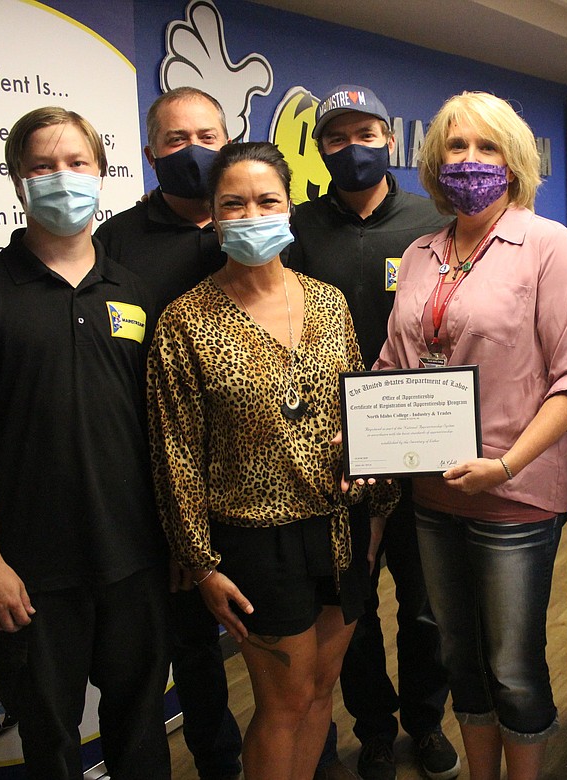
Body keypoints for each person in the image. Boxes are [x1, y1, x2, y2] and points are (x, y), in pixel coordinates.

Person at [0, 106, 171, 778]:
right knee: (51, 745)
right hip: (31, 575)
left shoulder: (136, 292)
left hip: (136, 562)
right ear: (17, 181)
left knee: (141, 735)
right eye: (43, 166)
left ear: (102, 172)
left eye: (76, 164)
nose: (63, 178)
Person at [147, 141, 398, 780]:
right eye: (234, 203)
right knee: (282, 701)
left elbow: (355, 406)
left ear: (289, 207)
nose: (253, 213)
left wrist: (374, 498)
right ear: (214, 216)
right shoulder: (185, 321)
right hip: (257, 539)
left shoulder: (327, 301)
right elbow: (174, 451)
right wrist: (200, 563)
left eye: (268, 200)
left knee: (322, 687)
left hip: (339, 527)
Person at [375, 91, 567, 780]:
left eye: (487, 147)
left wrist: (503, 466)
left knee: (513, 665)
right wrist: (363, 441)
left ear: (514, 161)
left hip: (516, 494)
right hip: (435, 495)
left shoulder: (547, 244)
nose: (469, 160)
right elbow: (394, 366)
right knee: (457, 656)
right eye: (456, 146)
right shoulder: (418, 252)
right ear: (435, 161)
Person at [288, 84, 456, 780]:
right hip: (330, 452)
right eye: (336, 137)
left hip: (416, 441)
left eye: (366, 133)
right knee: (348, 613)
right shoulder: (294, 228)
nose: (352, 148)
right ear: (321, 148)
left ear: (392, 140)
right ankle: (375, 730)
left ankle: (425, 723)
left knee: (423, 608)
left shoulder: (432, 223)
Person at [95, 86, 242, 780]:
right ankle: (218, 760)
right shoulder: (115, 242)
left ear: (231, 136)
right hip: (162, 474)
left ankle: (311, 752)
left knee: (282, 630)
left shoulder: (255, 219)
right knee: (188, 641)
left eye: (207, 135)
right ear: (151, 152)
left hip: (256, 471)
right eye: (177, 140)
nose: (194, 151)